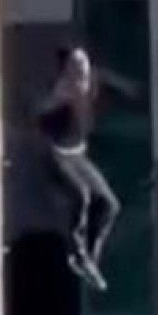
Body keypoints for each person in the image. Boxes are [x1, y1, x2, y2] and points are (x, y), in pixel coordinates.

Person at [36, 45, 136, 291]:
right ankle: (76, 251)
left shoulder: (95, 79)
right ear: (66, 71)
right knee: (81, 195)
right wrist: (57, 101)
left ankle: (90, 258)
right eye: (75, 67)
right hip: (56, 155)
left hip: (78, 154)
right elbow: (39, 115)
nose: (81, 73)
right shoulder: (61, 91)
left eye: (83, 66)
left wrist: (132, 91)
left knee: (109, 204)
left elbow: (118, 84)